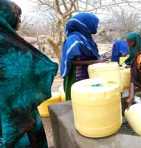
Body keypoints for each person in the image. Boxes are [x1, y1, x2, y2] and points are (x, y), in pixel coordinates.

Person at [0, 0, 58, 147]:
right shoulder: (11, 49)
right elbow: (30, 75)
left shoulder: (13, 43)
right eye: (17, 17)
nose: (19, 21)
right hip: (19, 124)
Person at [60, 12, 105, 101]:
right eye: (95, 24)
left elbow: (91, 57)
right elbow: (72, 61)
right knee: (80, 103)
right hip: (77, 78)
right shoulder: (74, 39)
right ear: (86, 24)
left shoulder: (86, 39)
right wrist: (96, 62)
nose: (96, 26)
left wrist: (100, 59)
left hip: (88, 75)